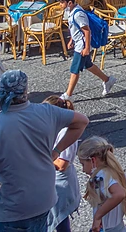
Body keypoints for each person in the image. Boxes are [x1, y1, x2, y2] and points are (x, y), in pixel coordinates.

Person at [0, 70, 89, 232]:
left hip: (12, 205)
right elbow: (82, 121)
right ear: (25, 91)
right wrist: (56, 151)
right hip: (43, 199)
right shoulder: (47, 112)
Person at [79, 136, 126, 232]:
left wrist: (98, 216)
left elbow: (119, 194)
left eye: (83, 164)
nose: (83, 170)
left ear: (93, 161)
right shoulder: (117, 173)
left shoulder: (101, 177)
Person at [58, 0, 117, 101]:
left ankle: (68, 95)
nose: (60, 5)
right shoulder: (70, 11)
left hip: (82, 45)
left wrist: (86, 48)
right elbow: (74, 28)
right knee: (88, 65)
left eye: (61, 3)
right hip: (79, 43)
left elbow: (86, 31)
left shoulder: (78, 14)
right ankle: (107, 80)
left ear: (69, 3)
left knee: (74, 69)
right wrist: (72, 40)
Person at [43, 95, 81, 232]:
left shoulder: (66, 131)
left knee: (59, 219)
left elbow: (62, 164)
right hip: (52, 181)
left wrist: (38, 163)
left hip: (60, 183)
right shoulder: (53, 128)